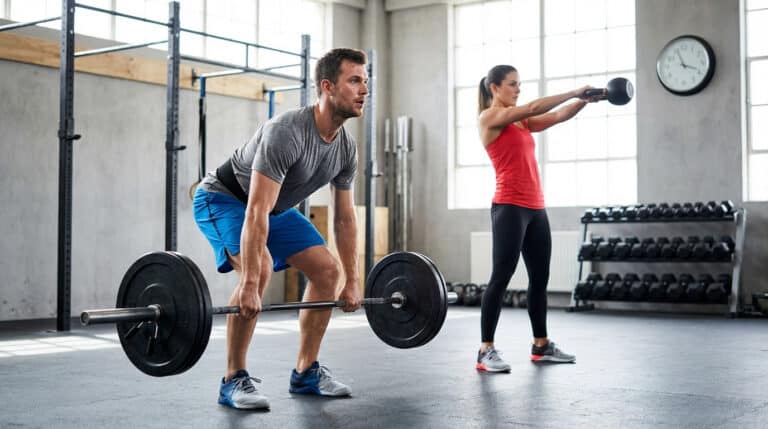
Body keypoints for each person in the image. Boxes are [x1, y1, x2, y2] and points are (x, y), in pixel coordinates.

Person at [192, 48, 369, 409]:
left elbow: (344, 218)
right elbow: (255, 209)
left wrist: (353, 279)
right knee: (257, 271)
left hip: (273, 208)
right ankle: (233, 378)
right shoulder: (286, 131)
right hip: (224, 198)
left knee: (327, 270)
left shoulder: (345, 149)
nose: (364, 89)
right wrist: (247, 284)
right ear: (327, 87)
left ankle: (305, 372)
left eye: (366, 81)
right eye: (354, 80)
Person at [474, 64, 598, 372]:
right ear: (495, 88)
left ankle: (541, 345)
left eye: (520, 84)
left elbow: (555, 116)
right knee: (501, 278)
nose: (518, 89)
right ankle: (485, 350)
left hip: (535, 208)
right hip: (509, 207)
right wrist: (573, 90)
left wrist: (584, 101)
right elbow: (532, 106)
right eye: (513, 84)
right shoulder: (490, 118)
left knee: (539, 278)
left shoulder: (522, 122)